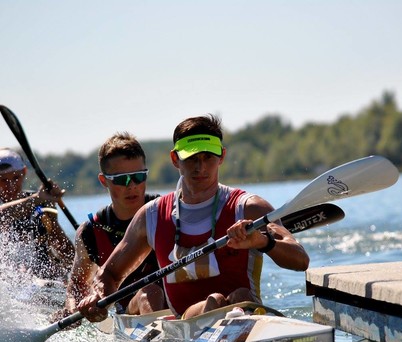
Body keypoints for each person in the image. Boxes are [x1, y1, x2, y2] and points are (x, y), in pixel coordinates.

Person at [77, 114, 309, 323]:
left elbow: (301, 260)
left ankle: (232, 315)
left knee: (240, 296)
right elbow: (109, 274)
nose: (200, 167)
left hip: (246, 313)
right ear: (175, 159)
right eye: (191, 158)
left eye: (208, 157)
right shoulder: (152, 215)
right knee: (217, 300)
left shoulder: (249, 208)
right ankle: (219, 311)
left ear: (222, 156)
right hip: (187, 322)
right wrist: (98, 297)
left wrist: (263, 242)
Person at [56, 132, 165, 320]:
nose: (132, 186)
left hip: (175, 302)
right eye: (122, 179)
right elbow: (77, 285)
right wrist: (73, 308)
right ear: (103, 181)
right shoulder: (90, 232)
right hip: (132, 309)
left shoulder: (165, 210)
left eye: (138, 176)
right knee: (150, 292)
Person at [0, 147, 75, 280]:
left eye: (16, 178)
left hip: (42, 281)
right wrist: (38, 199)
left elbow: (69, 255)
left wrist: (52, 221)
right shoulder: (37, 199)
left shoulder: (41, 204)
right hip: (10, 281)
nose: (10, 185)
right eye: (3, 180)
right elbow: (2, 215)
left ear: (24, 172)